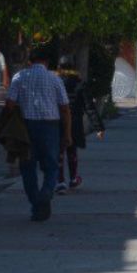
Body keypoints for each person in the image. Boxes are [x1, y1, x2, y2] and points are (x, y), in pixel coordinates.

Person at [4, 46, 70, 221]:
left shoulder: (19, 77)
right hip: (50, 127)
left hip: (26, 128)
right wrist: (67, 133)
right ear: (47, 62)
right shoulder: (55, 79)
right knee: (52, 166)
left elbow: (9, 104)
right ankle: (45, 195)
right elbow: (64, 108)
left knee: (27, 168)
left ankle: (36, 203)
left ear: (30, 61)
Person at [56, 56, 105, 193]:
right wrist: (98, 127)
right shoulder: (79, 83)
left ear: (59, 68)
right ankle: (73, 179)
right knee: (72, 151)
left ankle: (60, 182)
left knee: (58, 153)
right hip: (75, 122)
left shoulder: (54, 83)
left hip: (56, 121)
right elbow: (89, 107)